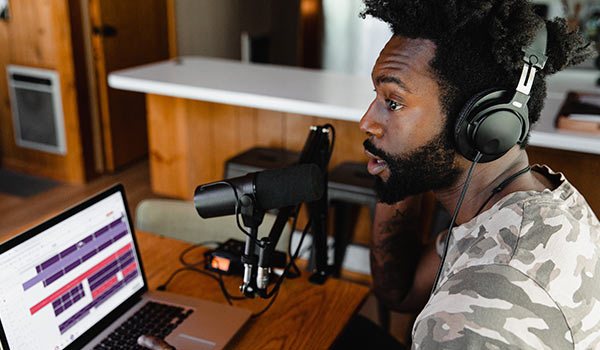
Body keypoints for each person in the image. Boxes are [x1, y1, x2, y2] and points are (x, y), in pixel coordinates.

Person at [355, 0, 598, 348]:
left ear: (481, 123)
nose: (367, 122)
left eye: (394, 102)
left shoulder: (473, 319)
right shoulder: (542, 199)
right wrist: (401, 168)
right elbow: (401, 291)